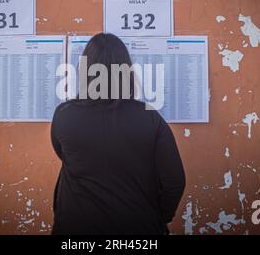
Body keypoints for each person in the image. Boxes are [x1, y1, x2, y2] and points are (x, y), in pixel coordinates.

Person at [50, 33, 185, 235]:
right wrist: (159, 217)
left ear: (86, 70)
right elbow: (175, 181)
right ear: (126, 71)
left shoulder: (64, 115)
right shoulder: (149, 116)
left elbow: (63, 154)